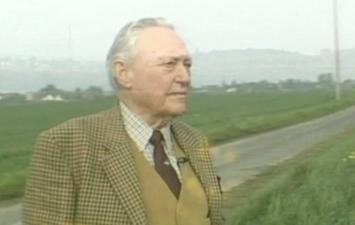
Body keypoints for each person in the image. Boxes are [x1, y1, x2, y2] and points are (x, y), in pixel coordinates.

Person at [23, 17, 223, 225]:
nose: (185, 77)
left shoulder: (194, 141)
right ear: (123, 73)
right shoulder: (67, 146)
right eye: (169, 64)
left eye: (187, 64)